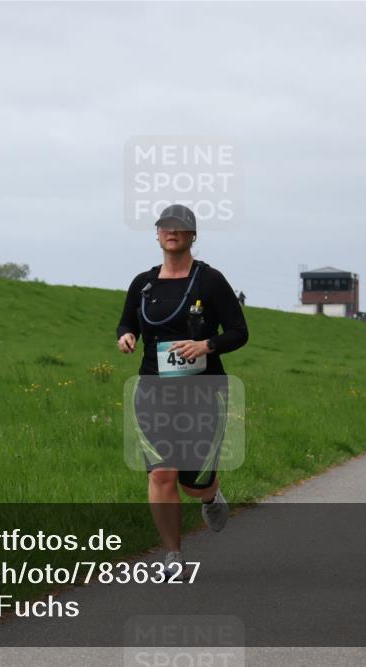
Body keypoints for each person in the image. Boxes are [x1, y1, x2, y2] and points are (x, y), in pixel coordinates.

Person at [116, 203, 248, 579]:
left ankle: (210, 494)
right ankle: (173, 556)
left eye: (180, 227)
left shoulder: (211, 281)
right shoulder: (143, 284)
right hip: (153, 391)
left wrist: (206, 345)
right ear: (157, 234)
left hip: (203, 392)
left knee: (193, 483)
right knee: (161, 474)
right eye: (165, 226)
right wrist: (126, 336)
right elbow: (126, 323)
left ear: (192, 235)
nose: (171, 231)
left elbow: (239, 332)